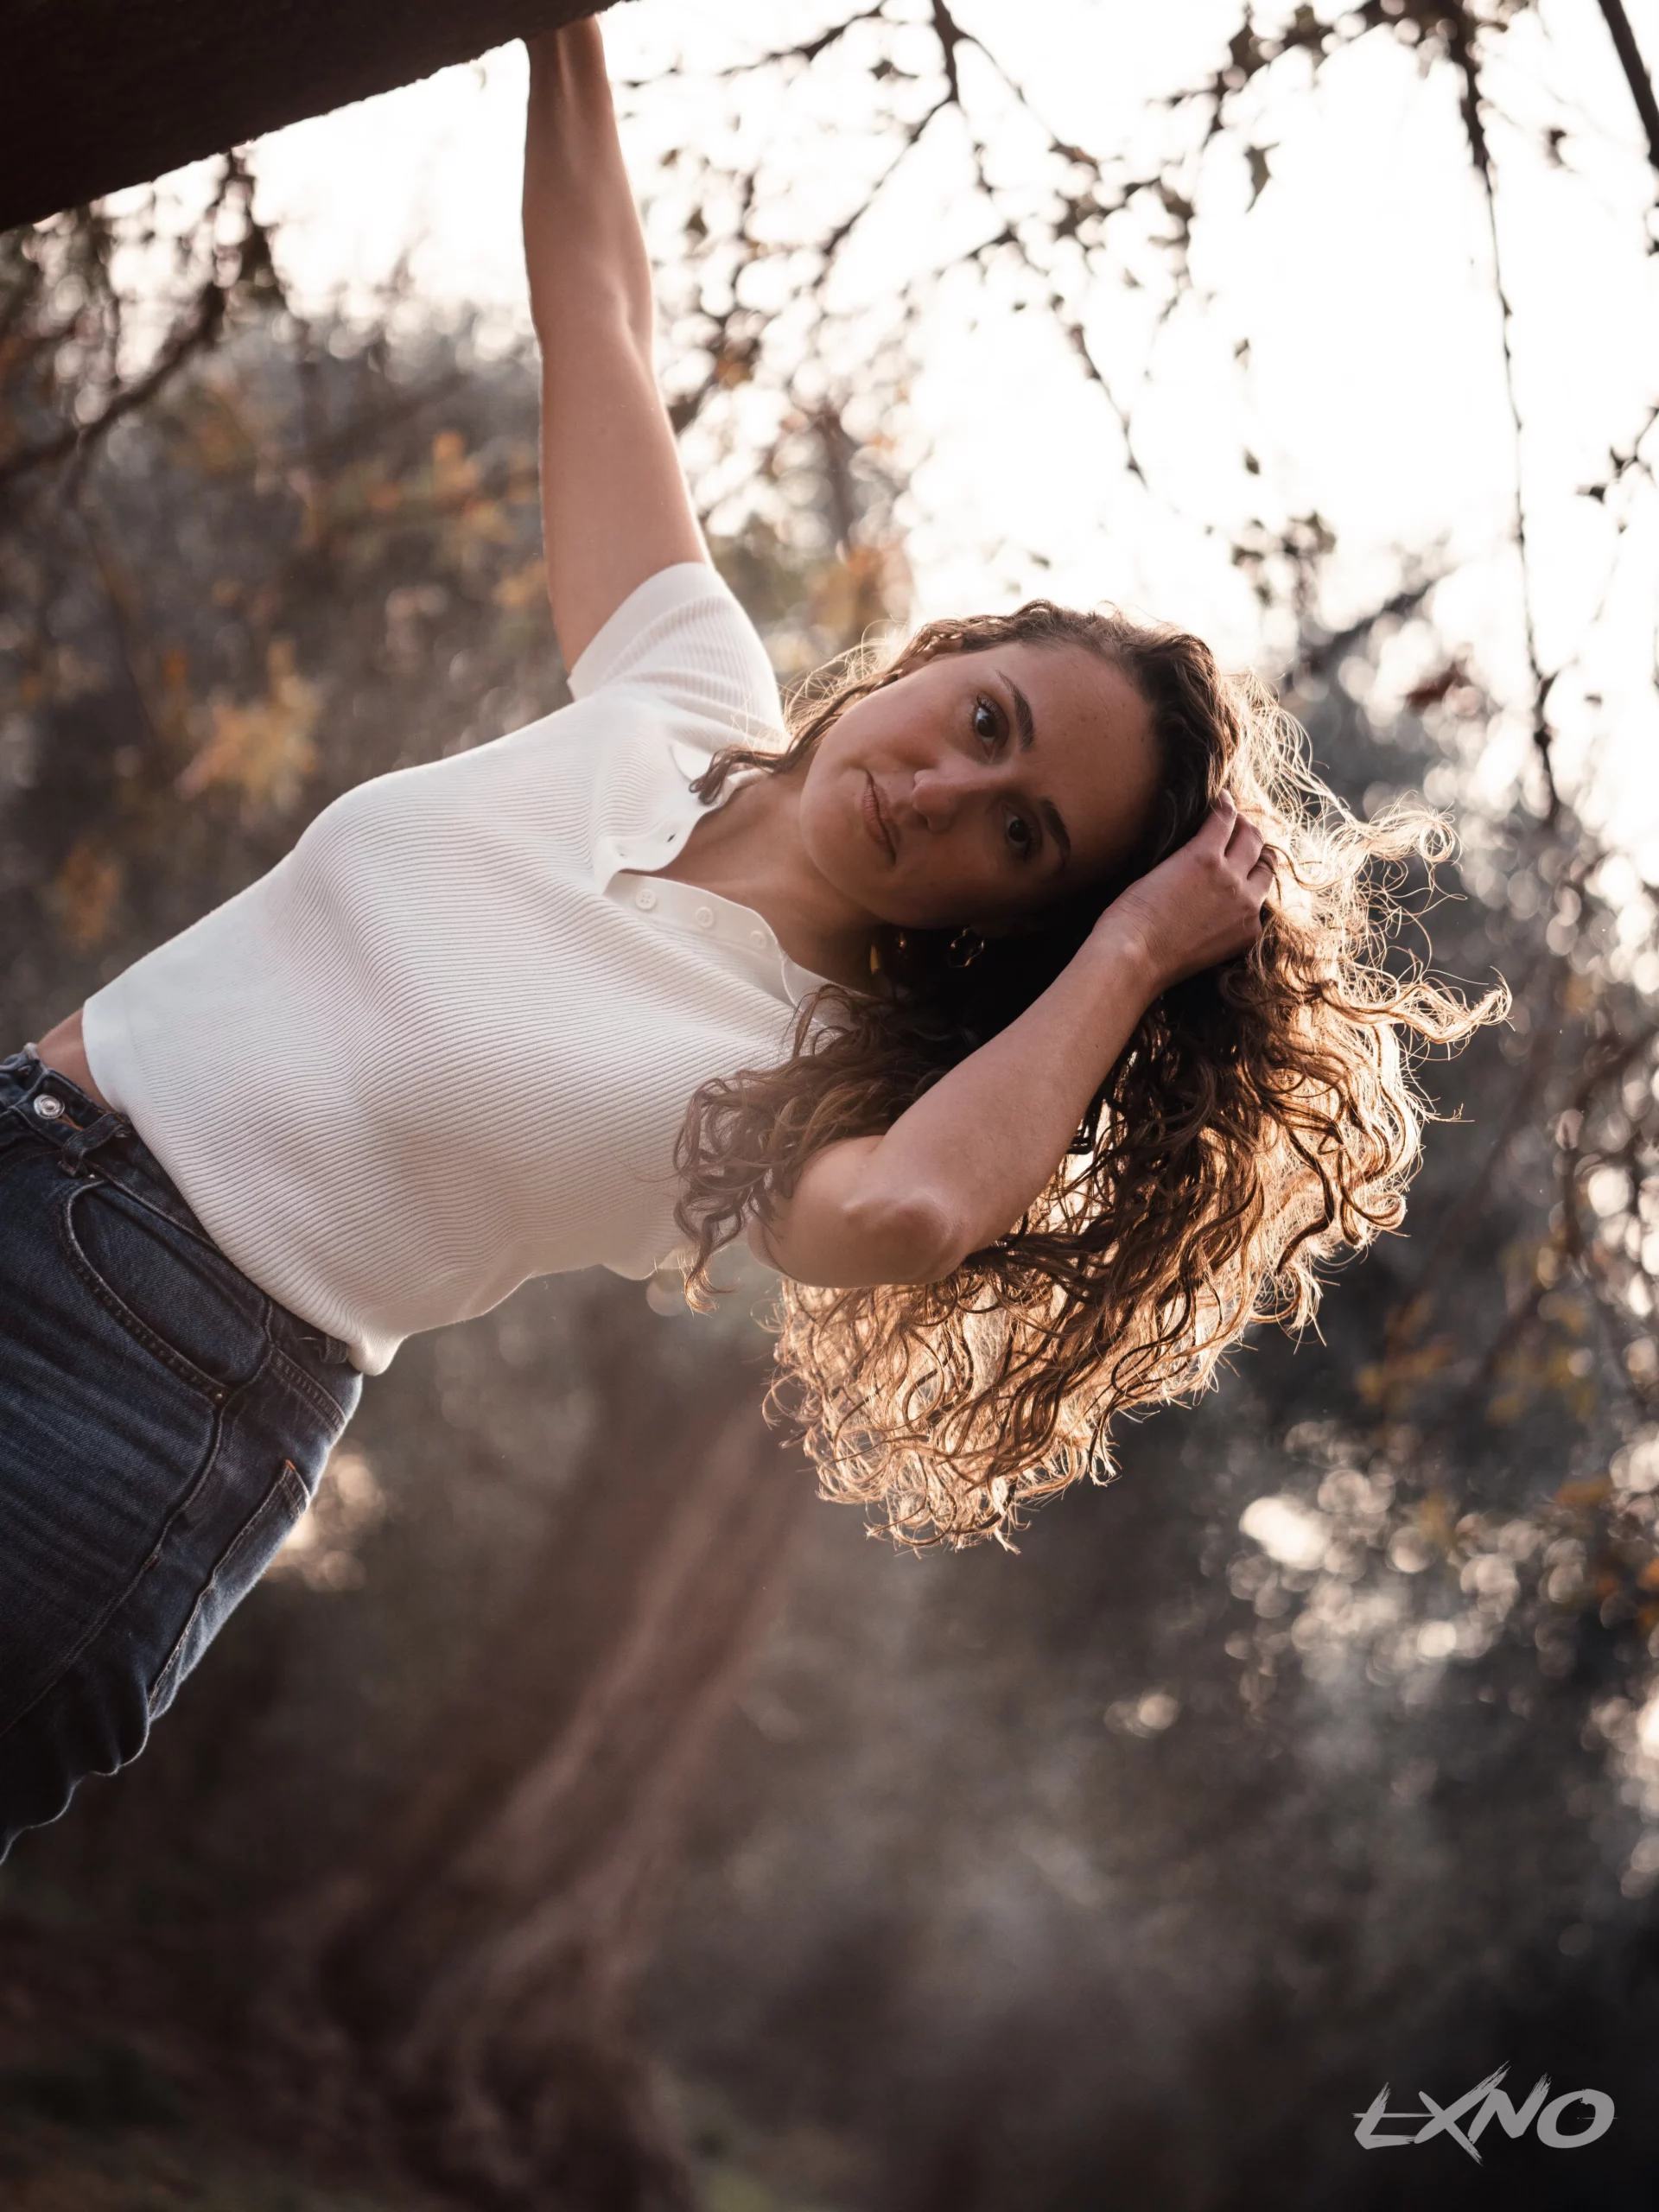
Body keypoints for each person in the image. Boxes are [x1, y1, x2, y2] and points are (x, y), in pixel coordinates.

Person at [0, 19, 1497, 1858]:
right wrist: (563, 32)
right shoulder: (680, 691)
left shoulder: (809, 1080)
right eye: (988, 719)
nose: (948, 789)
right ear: (949, 654)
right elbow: (602, 316)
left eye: (1023, 834)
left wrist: (1132, 953)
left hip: (135, 1400)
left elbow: (914, 1214)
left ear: (1021, 914)